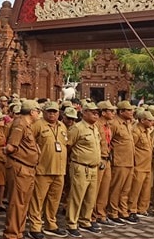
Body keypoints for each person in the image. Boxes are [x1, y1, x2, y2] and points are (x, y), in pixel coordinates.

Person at [27, 101, 69, 239]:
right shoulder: (37, 125)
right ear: (44, 112)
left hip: (59, 169)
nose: (52, 114)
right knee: (37, 200)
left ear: (59, 113)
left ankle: (51, 224)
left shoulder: (62, 125)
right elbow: (28, 142)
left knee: (54, 199)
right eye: (49, 111)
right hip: (43, 169)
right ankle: (35, 227)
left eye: (55, 111)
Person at [2, 100, 41, 239]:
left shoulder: (27, 125)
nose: (39, 114)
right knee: (16, 203)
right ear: (31, 112)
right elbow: (11, 146)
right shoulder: (20, 124)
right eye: (38, 111)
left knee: (23, 204)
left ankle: (18, 232)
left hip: (28, 168)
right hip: (20, 167)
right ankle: (11, 234)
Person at [64, 103, 102, 238]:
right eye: (92, 112)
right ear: (84, 113)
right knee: (77, 196)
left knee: (90, 197)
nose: (96, 114)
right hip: (80, 166)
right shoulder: (77, 128)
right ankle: (71, 223)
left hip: (93, 167)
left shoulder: (95, 128)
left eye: (97, 112)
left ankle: (85, 220)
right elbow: (67, 147)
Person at [107, 100, 137, 224]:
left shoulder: (128, 124)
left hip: (129, 161)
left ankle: (123, 211)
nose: (131, 112)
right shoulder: (114, 124)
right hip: (119, 161)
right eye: (129, 110)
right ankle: (113, 212)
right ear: (121, 111)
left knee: (126, 189)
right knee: (116, 188)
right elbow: (108, 141)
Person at [128, 110, 154, 218]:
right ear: (142, 120)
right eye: (149, 120)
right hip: (138, 165)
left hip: (147, 165)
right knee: (135, 189)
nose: (151, 122)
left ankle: (142, 208)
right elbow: (132, 148)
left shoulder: (146, 131)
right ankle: (132, 209)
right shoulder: (135, 131)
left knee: (145, 189)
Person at [93, 100, 116, 227]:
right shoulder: (96, 125)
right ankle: (91, 216)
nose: (113, 113)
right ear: (103, 112)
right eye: (110, 111)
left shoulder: (108, 125)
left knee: (104, 188)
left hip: (107, 158)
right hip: (99, 159)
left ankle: (101, 213)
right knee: (94, 189)